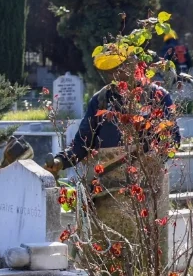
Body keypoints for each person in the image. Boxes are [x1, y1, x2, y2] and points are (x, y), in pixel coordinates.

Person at [45, 50, 180, 244]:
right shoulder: (100, 100)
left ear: (133, 64)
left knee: (147, 251)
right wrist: (60, 161)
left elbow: (172, 140)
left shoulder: (157, 97)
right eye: (107, 72)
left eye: (117, 69)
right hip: (105, 194)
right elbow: (83, 142)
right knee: (107, 250)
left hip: (147, 191)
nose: (112, 77)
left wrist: (152, 158)